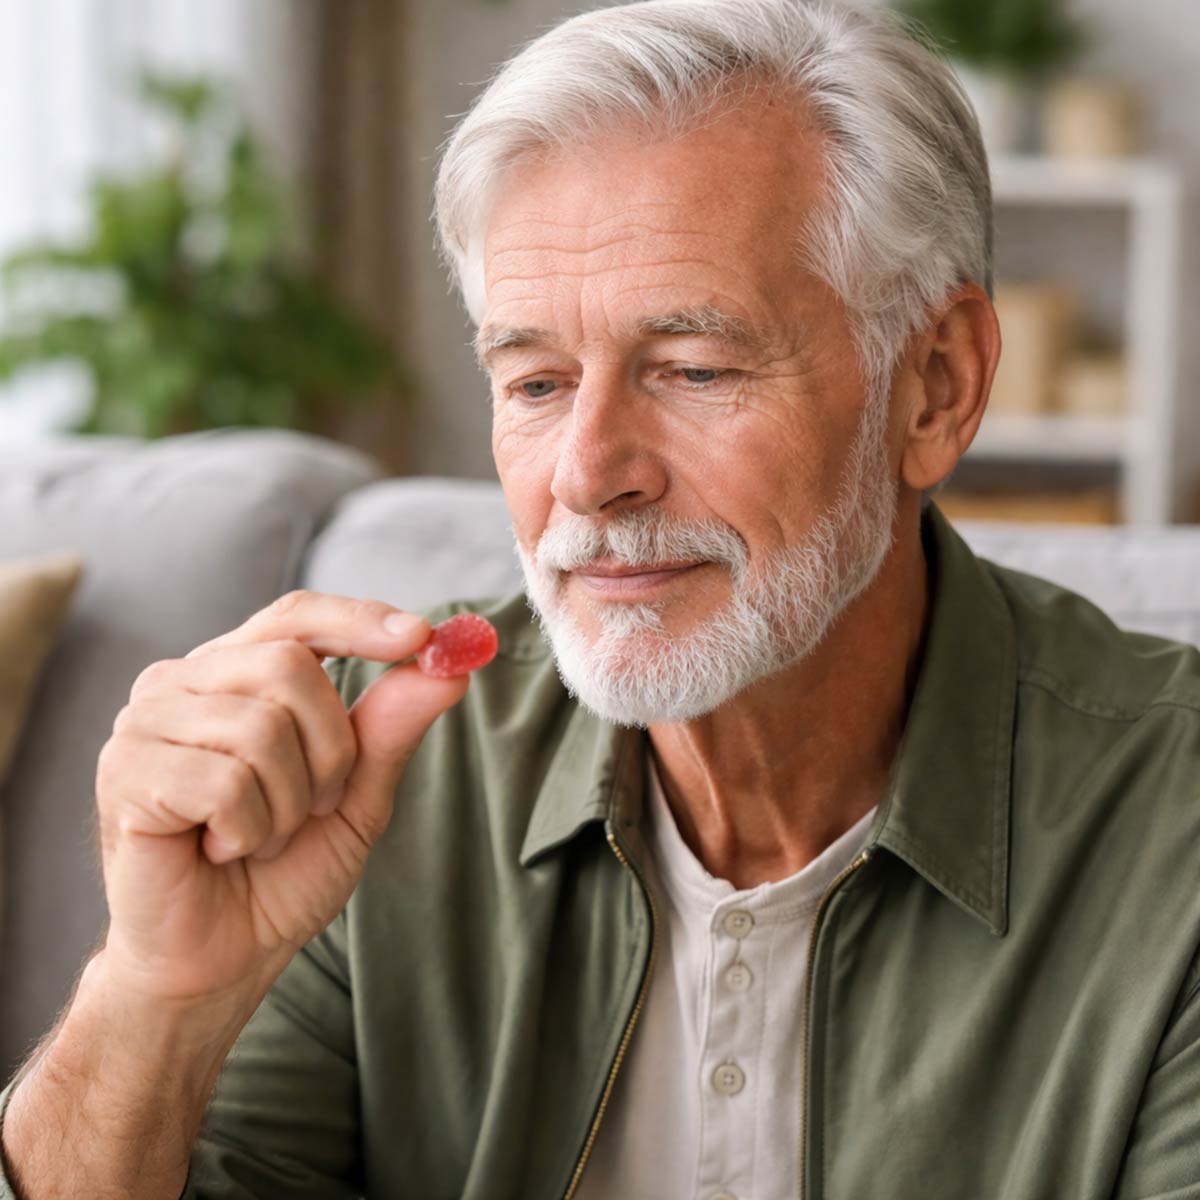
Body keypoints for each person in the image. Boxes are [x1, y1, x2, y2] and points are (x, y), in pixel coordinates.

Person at [3, 0, 1199, 1196]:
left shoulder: (1174, 832)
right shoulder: (367, 776)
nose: (586, 473)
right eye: (534, 381)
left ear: (933, 387)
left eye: (693, 369)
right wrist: (153, 999)